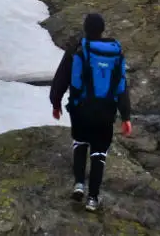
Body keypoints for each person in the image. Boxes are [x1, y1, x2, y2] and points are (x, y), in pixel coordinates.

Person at [49, 13, 132, 212]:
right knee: (99, 154)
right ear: (102, 29)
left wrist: (56, 103)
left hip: (80, 109)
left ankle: (79, 184)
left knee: (80, 143)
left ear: (85, 28)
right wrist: (126, 116)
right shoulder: (115, 53)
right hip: (106, 112)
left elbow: (61, 77)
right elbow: (121, 86)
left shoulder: (78, 49)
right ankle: (93, 199)